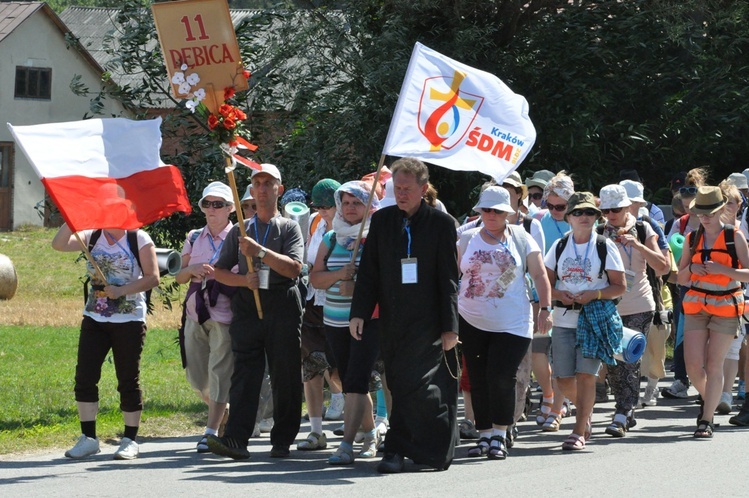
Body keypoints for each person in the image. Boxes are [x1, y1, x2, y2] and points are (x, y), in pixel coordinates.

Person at [350, 157, 459, 473]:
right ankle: (417, 448)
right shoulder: (382, 221)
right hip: (392, 319)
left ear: (423, 189)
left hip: (428, 320)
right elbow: (369, 272)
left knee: (419, 383)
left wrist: (450, 326)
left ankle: (397, 449)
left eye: (407, 189)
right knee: (399, 384)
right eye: (396, 188)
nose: (401, 194)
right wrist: (360, 313)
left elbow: (448, 278)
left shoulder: (441, 224)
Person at [207, 163, 305, 460]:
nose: (262, 189)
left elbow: (294, 269)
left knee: (285, 372)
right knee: (245, 373)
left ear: (279, 189)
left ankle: (283, 439)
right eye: (257, 183)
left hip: (282, 301)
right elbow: (219, 271)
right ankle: (236, 439)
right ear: (250, 189)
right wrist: (242, 280)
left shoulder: (289, 227)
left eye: (268, 183)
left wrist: (260, 253)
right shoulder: (239, 229)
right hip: (248, 303)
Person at [458, 186, 553, 460]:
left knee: (501, 377)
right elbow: (452, 276)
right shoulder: (466, 238)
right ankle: (484, 434)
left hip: (512, 322)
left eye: (497, 210)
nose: (490, 215)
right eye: (486, 209)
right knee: (477, 379)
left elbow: (539, 275)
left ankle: (501, 433)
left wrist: (545, 309)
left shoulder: (521, 238)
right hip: (470, 319)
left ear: (507, 212)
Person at [52, 223, 159, 460]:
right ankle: (88, 439)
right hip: (94, 317)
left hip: (129, 319)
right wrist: (71, 219)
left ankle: (130, 440)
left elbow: (153, 278)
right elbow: (58, 244)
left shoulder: (138, 238)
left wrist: (122, 291)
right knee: (85, 377)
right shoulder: (91, 236)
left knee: (128, 380)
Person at [544, 192, 626, 450]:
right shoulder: (559, 245)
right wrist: (558, 295)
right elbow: (543, 281)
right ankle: (585, 413)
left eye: (589, 212)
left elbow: (620, 286)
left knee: (586, 375)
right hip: (563, 319)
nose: (584, 217)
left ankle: (579, 429)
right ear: (568, 217)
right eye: (578, 212)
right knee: (563, 378)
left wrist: (596, 294)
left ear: (596, 217)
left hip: (592, 319)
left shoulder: (604, 245)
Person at [309, 181, 382, 465]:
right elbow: (316, 278)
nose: (351, 208)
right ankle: (371, 432)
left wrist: (360, 284)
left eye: (357, 203)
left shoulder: (376, 237)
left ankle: (347, 444)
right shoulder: (331, 237)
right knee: (349, 380)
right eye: (346, 202)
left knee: (357, 379)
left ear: (369, 206)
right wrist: (341, 274)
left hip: (366, 319)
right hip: (334, 320)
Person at [597, 184, 669, 437]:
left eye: (615, 209)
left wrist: (637, 245)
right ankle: (625, 408)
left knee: (629, 357)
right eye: (605, 209)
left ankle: (622, 412)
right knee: (613, 361)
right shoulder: (599, 231)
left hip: (640, 304)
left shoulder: (643, 227)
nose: (610, 214)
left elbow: (663, 266)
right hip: (609, 305)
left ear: (628, 206)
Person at [678, 186, 749, 438]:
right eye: (700, 212)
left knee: (714, 363)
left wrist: (723, 269)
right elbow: (680, 276)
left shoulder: (734, 236)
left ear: (720, 210)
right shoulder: (691, 238)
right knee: (693, 366)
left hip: (727, 305)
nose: (704, 217)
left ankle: (706, 420)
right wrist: (693, 271)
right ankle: (711, 398)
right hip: (697, 305)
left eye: (709, 212)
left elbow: (747, 272)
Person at [175, 182, 237, 452]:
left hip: (225, 313)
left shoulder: (238, 235)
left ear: (230, 209)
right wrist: (194, 268)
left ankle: (210, 431)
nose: (212, 209)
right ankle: (223, 411)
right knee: (197, 377)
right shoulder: (193, 236)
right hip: (195, 313)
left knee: (220, 373)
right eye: (207, 204)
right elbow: (178, 277)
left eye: (219, 204)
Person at [296, 178, 344, 452]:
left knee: (341, 372)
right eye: (320, 206)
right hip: (314, 304)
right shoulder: (317, 227)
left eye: (328, 206)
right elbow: (310, 261)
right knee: (311, 369)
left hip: (339, 305)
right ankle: (316, 431)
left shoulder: (351, 230)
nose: (324, 212)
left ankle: (363, 426)